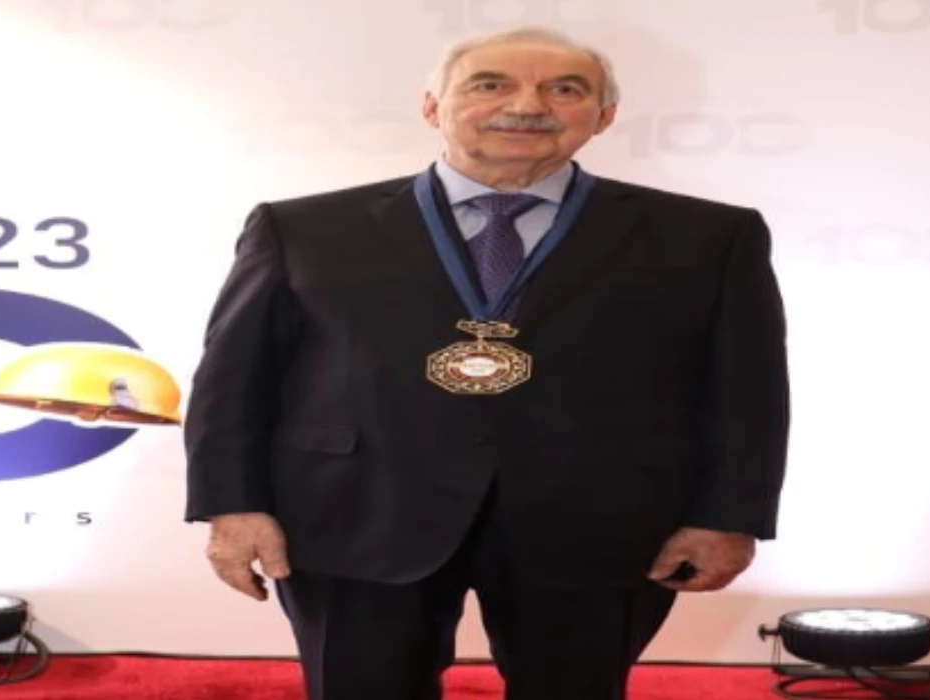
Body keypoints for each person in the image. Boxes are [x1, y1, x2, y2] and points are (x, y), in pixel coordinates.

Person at [182, 26, 791, 700]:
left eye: (565, 89)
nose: (527, 105)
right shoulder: (302, 229)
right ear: (432, 106)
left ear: (603, 115)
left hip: (600, 524)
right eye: (490, 84)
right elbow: (234, 381)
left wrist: (727, 516)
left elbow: (747, 393)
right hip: (356, 516)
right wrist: (231, 505)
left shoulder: (709, 236)